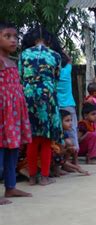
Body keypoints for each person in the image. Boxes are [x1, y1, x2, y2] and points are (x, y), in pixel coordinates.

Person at [18, 26, 62, 186]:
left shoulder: (23, 54)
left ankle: (31, 177)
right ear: (49, 40)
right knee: (46, 139)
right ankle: (44, 177)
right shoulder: (55, 55)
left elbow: (21, 77)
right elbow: (56, 78)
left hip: (28, 96)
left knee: (32, 140)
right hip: (47, 96)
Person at [0, 21, 32, 205]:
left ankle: (10, 187)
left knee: (13, 150)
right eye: (7, 36)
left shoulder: (12, 62)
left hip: (13, 113)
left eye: (15, 37)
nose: (13, 40)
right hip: (2, 113)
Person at [54, 46, 79, 166]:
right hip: (69, 105)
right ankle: (75, 160)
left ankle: (62, 161)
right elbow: (69, 60)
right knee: (73, 130)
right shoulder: (67, 70)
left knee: (59, 134)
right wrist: (62, 51)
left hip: (57, 106)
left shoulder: (54, 75)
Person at [51, 110, 89, 176]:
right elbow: (57, 157)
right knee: (66, 144)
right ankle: (54, 168)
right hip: (51, 159)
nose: (70, 123)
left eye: (71, 120)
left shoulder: (64, 133)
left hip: (57, 157)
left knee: (70, 143)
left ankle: (63, 167)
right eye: (67, 121)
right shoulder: (55, 135)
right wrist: (77, 168)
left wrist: (68, 149)